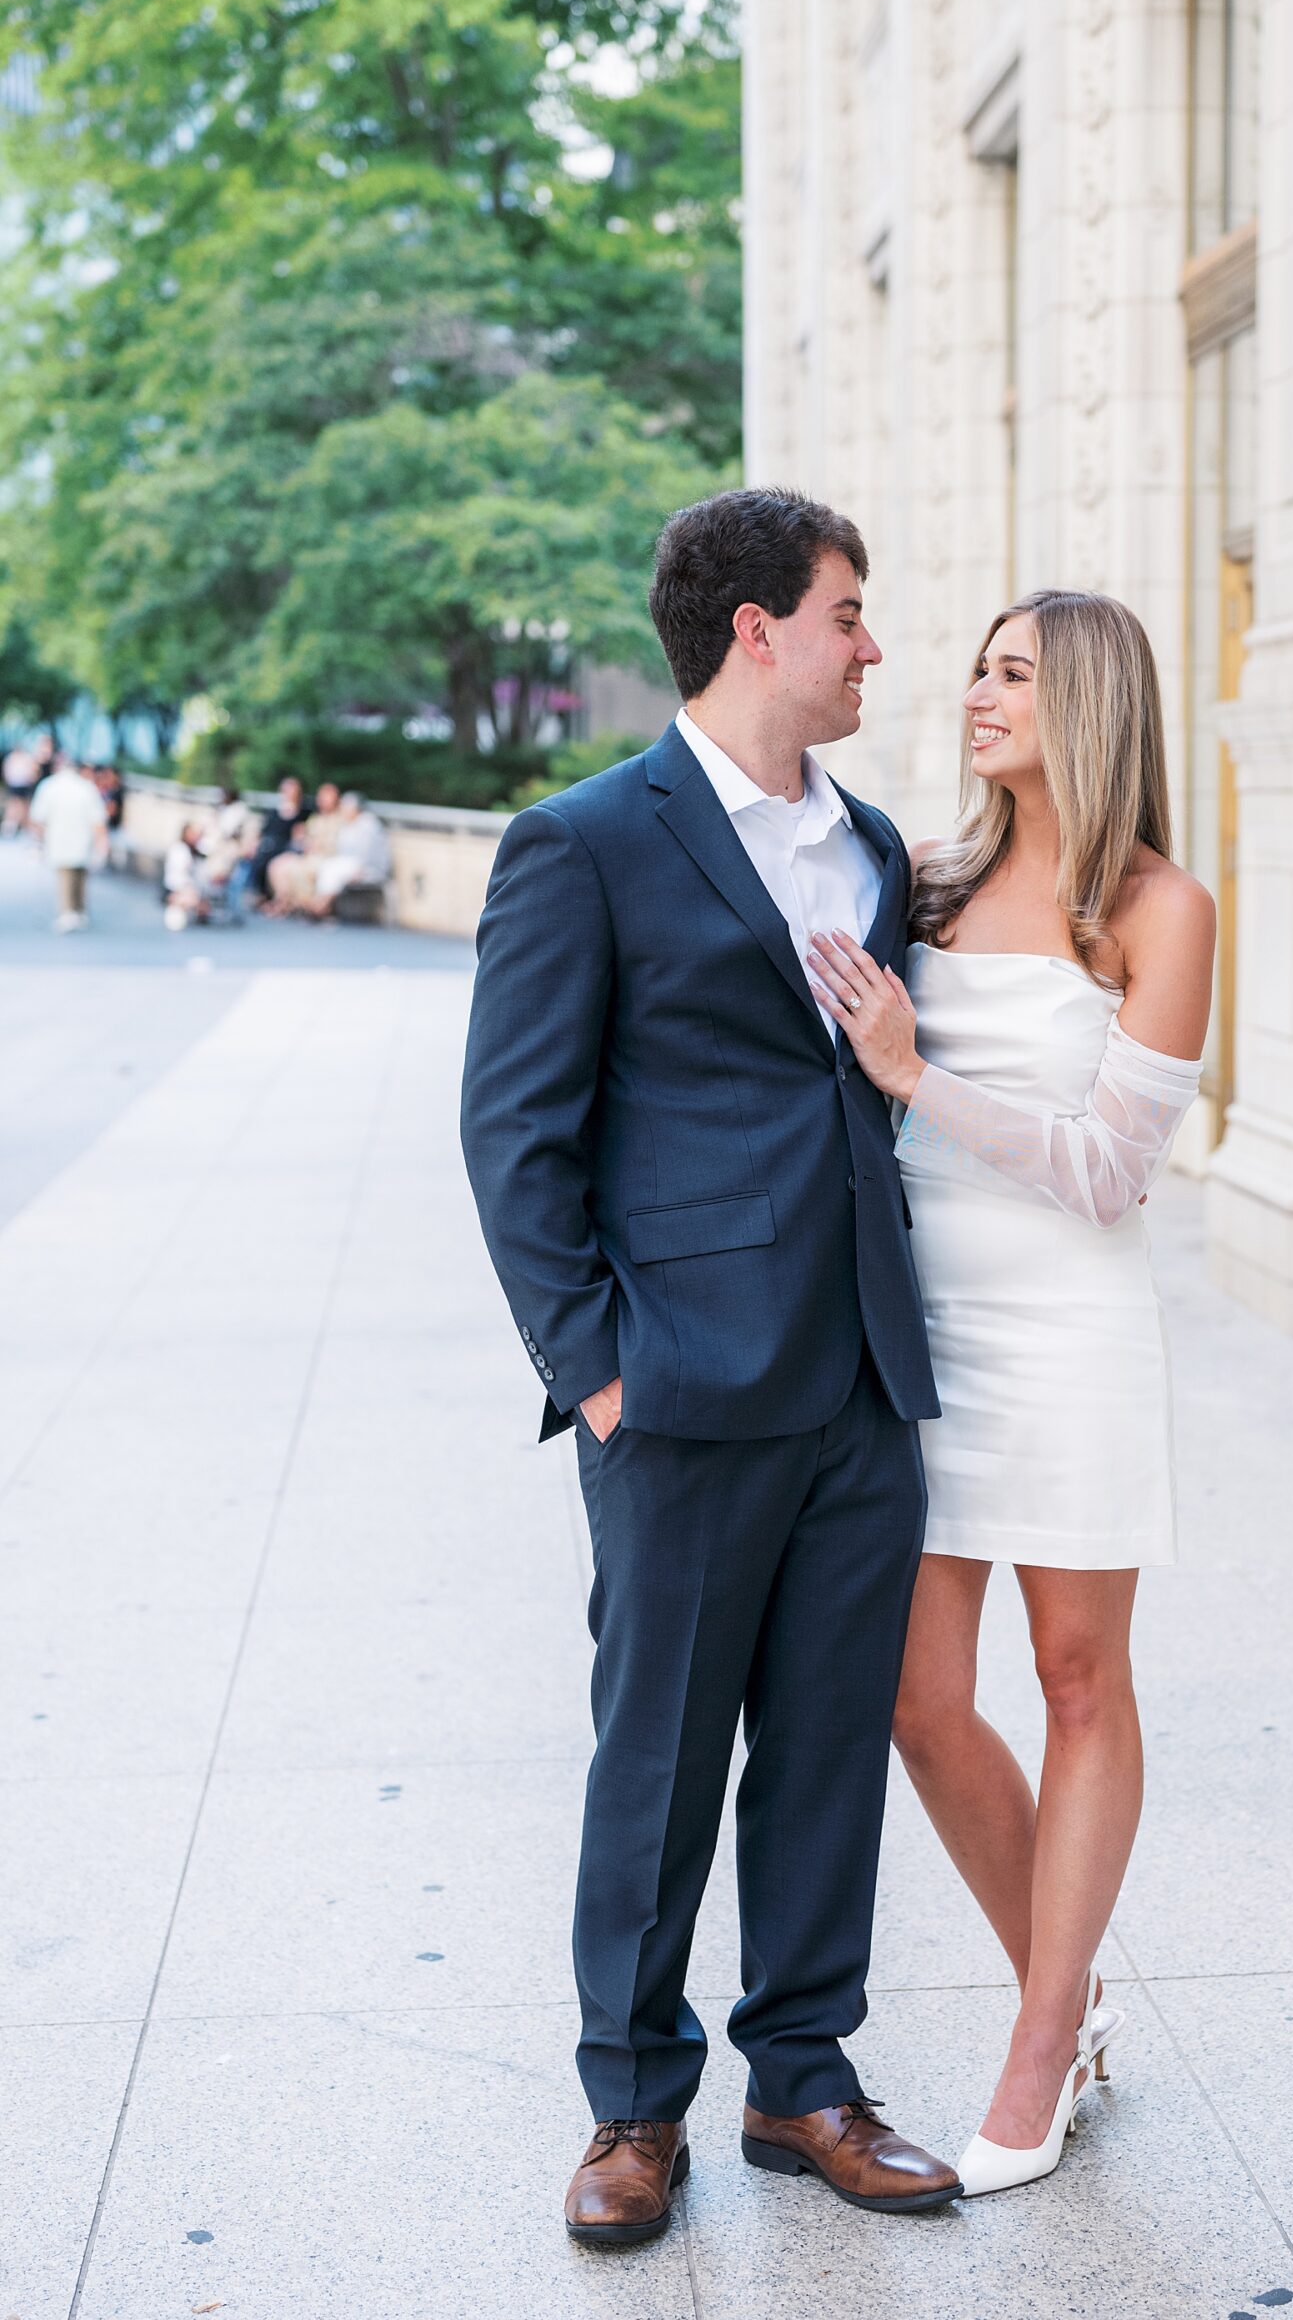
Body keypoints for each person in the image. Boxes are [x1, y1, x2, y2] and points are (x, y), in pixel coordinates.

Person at [460, 489, 957, 2250]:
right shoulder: (584, 840)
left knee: (829, 1745)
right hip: (673, 1391)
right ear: (755, 629)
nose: (871, 644)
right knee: (657, 1756)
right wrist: (597, 1374)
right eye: (847, 612)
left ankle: (803, 2076)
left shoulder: (876, 846)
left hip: (861, 1387)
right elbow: (514, 1137)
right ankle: (629, 2104)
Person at [807, 589, 1215, 2199]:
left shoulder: (1157, 908)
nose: (972, 693)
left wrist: (920, 1076)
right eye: (975, 668)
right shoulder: (926, 878)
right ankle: (1073, 1982)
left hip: (1067, 1330)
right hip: (921, 1336)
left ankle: (1040, 2041)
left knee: (1074, 1676)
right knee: (914, 1698)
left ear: (1090, 702)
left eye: (1012, 673)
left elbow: (1114, 1174)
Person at [28, 749, 109, 931]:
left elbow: (36, 818)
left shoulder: (49, 787)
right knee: (79, 875)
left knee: (65, 875)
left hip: (58, 840)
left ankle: (68, 911)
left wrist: (41, 839)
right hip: (83, 841)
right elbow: (98, 820)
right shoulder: (86, 788)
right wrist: (102, 844)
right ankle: (78, 910)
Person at [301, 790, 389, 917]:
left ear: (354, 808)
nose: (342, 809)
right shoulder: (348, 825)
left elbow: (370, 854)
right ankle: (320, 904)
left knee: (335, 871)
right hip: (350, 863)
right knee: (329, 867)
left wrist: (363, 870)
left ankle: (320, 906)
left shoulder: (368, 825)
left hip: (367, 868)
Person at [266, 778, 339, 913]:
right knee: (277, 864)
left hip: (324, 856)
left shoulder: (339, 820)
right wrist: (302, 839)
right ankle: (284, 902)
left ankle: (309, 906)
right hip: (307, 853)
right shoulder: (316, 818)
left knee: (298, 869)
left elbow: (334, 844)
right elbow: (304, 837)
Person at [247, 774, 306, 910]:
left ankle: (276, 901)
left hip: (285, 847)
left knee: (271, 860)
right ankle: (261, 895)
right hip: (268, 845)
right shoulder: (274, 812)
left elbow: (298, 835)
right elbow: (263, 831)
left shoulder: (302, 813)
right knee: (260, 858)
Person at [162, 817, 212, 931]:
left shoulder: (197, 849)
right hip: (178, 886)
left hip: (193, 886)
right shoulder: (179, 850)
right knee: (192, 897)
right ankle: (178, 902)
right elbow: (179, 874)